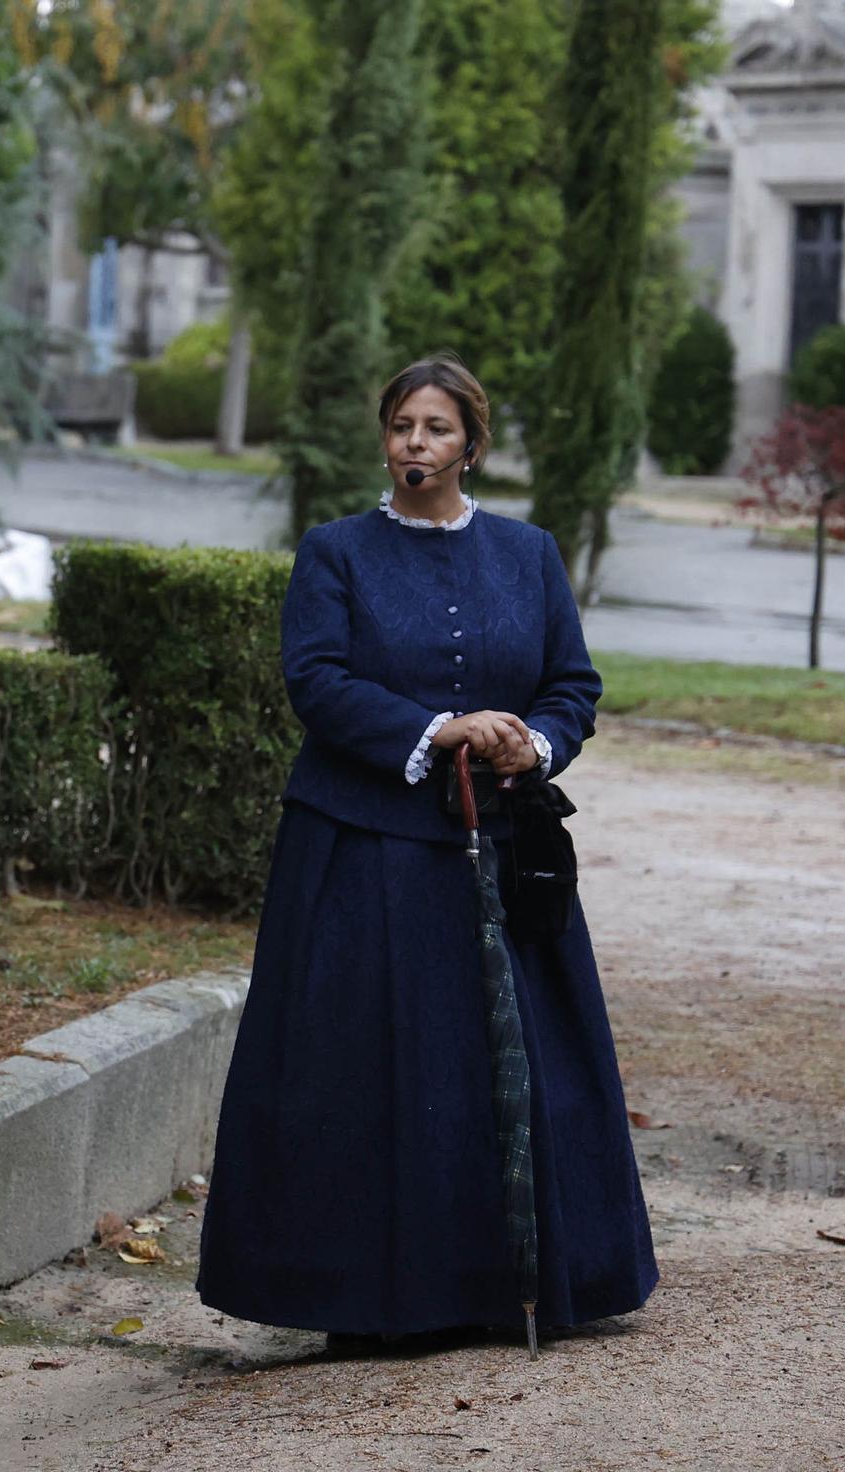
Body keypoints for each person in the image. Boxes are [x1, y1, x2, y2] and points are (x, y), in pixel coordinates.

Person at [195, 355, 657, 1347]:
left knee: (509, 1068)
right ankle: (371, 1296)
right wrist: (436, 728)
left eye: (435, 428)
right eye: (401, 425)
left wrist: (530, 741)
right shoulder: (334, 552)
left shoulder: (527, 553)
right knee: (373, 1072)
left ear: (470, 444)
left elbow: (570, 683)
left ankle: (517, 1281)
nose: (415, 443)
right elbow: (313, 679)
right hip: (362, 853)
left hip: (501, 843)